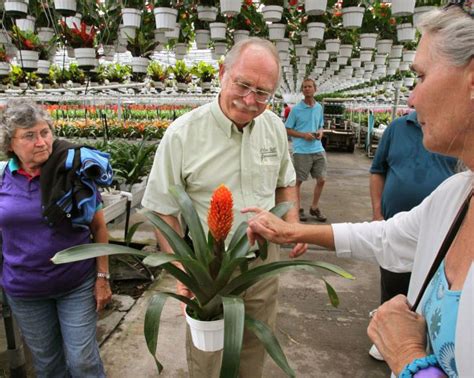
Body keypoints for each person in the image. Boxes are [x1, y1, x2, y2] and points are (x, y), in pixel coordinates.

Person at [243, 6, 473, 377]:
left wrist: (407, 357)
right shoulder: (457, 195)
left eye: (421, 76)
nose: (411, 100)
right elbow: (386, 237)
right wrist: (292, 230)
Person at [142, 37, 306, 378]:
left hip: (261, 262)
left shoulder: (273, 126)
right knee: (210, 361)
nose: (249, 101)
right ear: (222, 73)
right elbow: (162, 210)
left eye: (262, 93)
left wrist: (293, 222)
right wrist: (178, 266)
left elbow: (285, 181)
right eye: (243, 85)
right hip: (209, 274)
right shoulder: (183, 134)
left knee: (252, 350)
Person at [0, 100, 112, 377]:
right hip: (25, 290)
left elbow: (98, 228)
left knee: (83, 361)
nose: (41, 142)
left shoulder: (73, 172)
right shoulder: (2, 178)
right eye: (29, 135)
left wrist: (103, 278)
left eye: (45, 132)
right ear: (9, 143)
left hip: (75, 283)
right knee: (48, 364)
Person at [368, 110, 457, 360]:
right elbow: (378, 170)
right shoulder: (397, 128)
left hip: (443, 229)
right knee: (393, 279)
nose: (412, 97)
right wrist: (377, 214)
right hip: (396, 221)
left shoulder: (453, 127)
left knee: (431, 287)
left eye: (422, 78)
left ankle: (420, 345)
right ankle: (387, 334)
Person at [285, 77, 327, 222]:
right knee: (298, 181)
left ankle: (314, 208)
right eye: (304, 87)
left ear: (315, 89)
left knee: (321, 179)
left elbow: (320, 124)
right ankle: (298, 208)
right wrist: (303, 135)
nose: (307, 89)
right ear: (302, 90)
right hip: (301, 150)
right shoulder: (296, 110)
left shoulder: (319, 107)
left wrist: (320, 132)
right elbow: (287, 129)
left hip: (317, 148)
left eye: (309, 86)